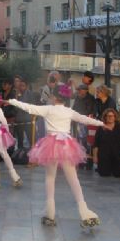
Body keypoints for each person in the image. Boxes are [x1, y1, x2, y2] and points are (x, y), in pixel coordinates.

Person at [8, 84, 105, 227]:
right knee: (73, 179)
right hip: (66, 145)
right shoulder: (69, 111)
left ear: (53, 97)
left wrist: (11, 101)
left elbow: (29, 107)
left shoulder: (48, 109)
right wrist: (102, 123)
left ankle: (50, 213)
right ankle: (84, 211)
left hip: (51, 145)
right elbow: (84, 119)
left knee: (50, 177)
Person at [93, 108, 120, 178]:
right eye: (108, 116)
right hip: (104, 155)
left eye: (112, 116)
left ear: (115, 117)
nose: (110, 117)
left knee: (118, 174)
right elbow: (96, 144)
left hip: (117, 156)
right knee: (104, 174)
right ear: (105, 117)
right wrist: (95, 156)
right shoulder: (100, 128)